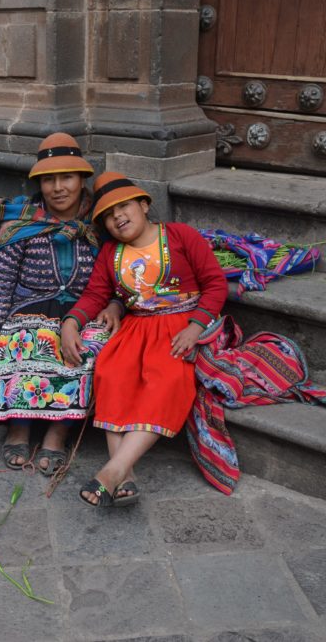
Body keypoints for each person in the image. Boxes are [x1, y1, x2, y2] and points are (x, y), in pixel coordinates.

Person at [60, 171, 227, 507]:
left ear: (144, 204)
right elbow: (95, 295)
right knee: (111, 372)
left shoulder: (180, 236)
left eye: (124, 207)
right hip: (137, 326)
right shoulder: (110, 254)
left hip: (181, 326)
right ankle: (126, 475)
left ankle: (114, 469)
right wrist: (70, 324)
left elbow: (215, 284)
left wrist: (196, 327)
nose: (118, 217)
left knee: (166, 378)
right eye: (108, 215)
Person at [0, 133, 121, 474]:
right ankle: (19, 425)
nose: (58, 187)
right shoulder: (21, 224)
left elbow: (120, 276)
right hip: (29, 307)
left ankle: (58, 432)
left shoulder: (101, 223)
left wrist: (114, 305)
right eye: (49, 179)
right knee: (28, 340)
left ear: (82, 179)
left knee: (89, 348)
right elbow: (0, 285)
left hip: (85, 310)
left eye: (66, 177)